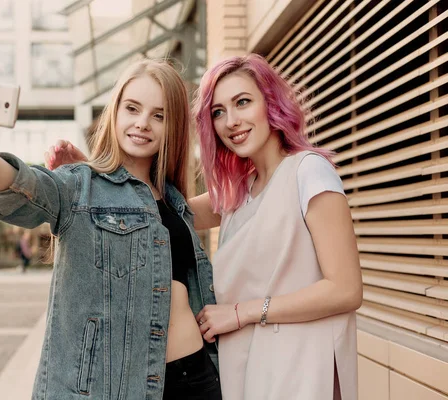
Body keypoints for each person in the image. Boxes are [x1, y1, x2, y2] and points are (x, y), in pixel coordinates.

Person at [46, 54, 363, 400]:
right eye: (218, 112)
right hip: (253, 368)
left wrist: (240, 313)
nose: (231, 121)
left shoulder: (308, 171)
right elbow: (154, 216)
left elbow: (346, 289)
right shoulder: (239, 194)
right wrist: (93, 183)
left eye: (243, 102)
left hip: (302, 366)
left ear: (270, 103)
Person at [0, 61, 221, 399]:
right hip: (117, 388)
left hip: (197, 378)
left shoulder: (174, 201)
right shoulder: (77, 186)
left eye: (159, 115)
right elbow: (19, 184)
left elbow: (239, 200)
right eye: (132, 108)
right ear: (114, 112)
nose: (142, 123)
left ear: (174, 126)